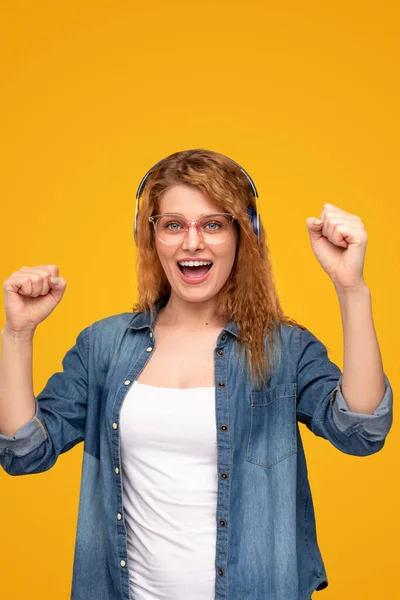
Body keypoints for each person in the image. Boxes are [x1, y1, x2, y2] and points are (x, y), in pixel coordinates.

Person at [0, 149, 393, 600]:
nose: (192, 242)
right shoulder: (104, 346)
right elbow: (23, 452)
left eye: (212, 224)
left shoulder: (282, 348)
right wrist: (18, 332)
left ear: (244, 235)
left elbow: (361, 432)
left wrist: (351, 288)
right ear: (150, 238)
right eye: (173, 225)